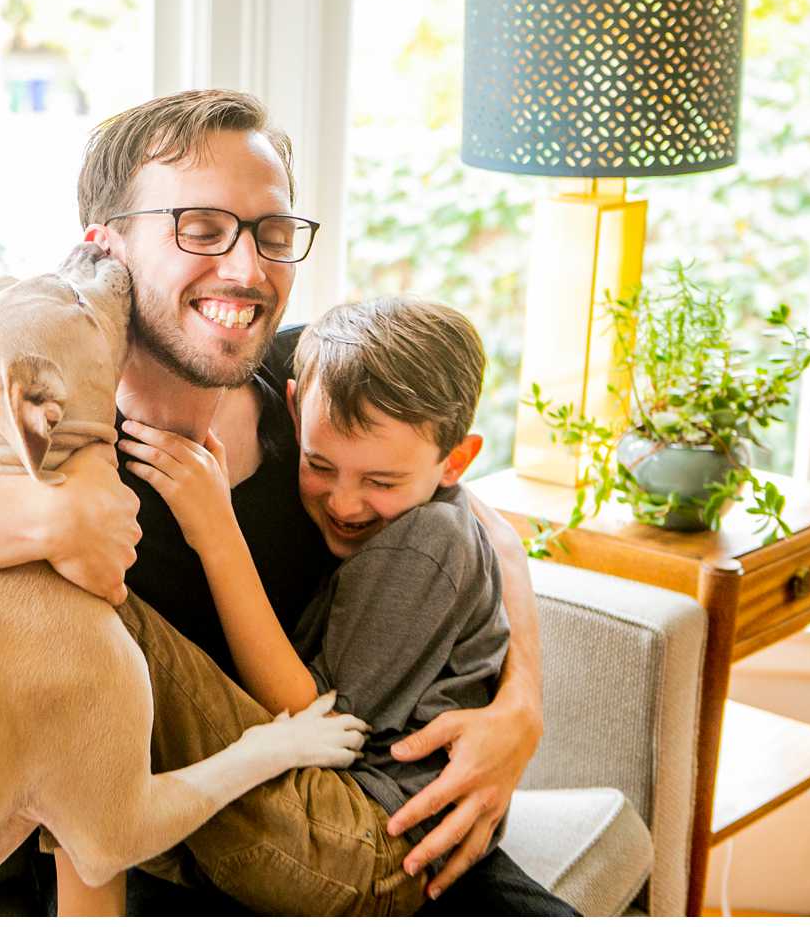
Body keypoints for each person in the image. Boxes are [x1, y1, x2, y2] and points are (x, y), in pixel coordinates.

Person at [0, 89, 563, 915]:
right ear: (106, 247)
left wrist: (519, 704)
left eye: (271, 232)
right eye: (201, 228)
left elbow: (475, 518)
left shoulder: (311, 382)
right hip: (163, 851)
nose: (247, 267)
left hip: (375, 819)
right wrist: (49, 519)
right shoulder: (31, 424)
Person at [105, 295, 556, 915]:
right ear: (295, 412)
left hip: (368, 830)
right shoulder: (320, 369)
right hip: (348, 820)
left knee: (106, 617)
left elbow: (317, 716)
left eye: (381, 482)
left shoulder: (425, 540)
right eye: (320, 466)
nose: (344, 505)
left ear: (456, 462)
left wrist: (215, 530)